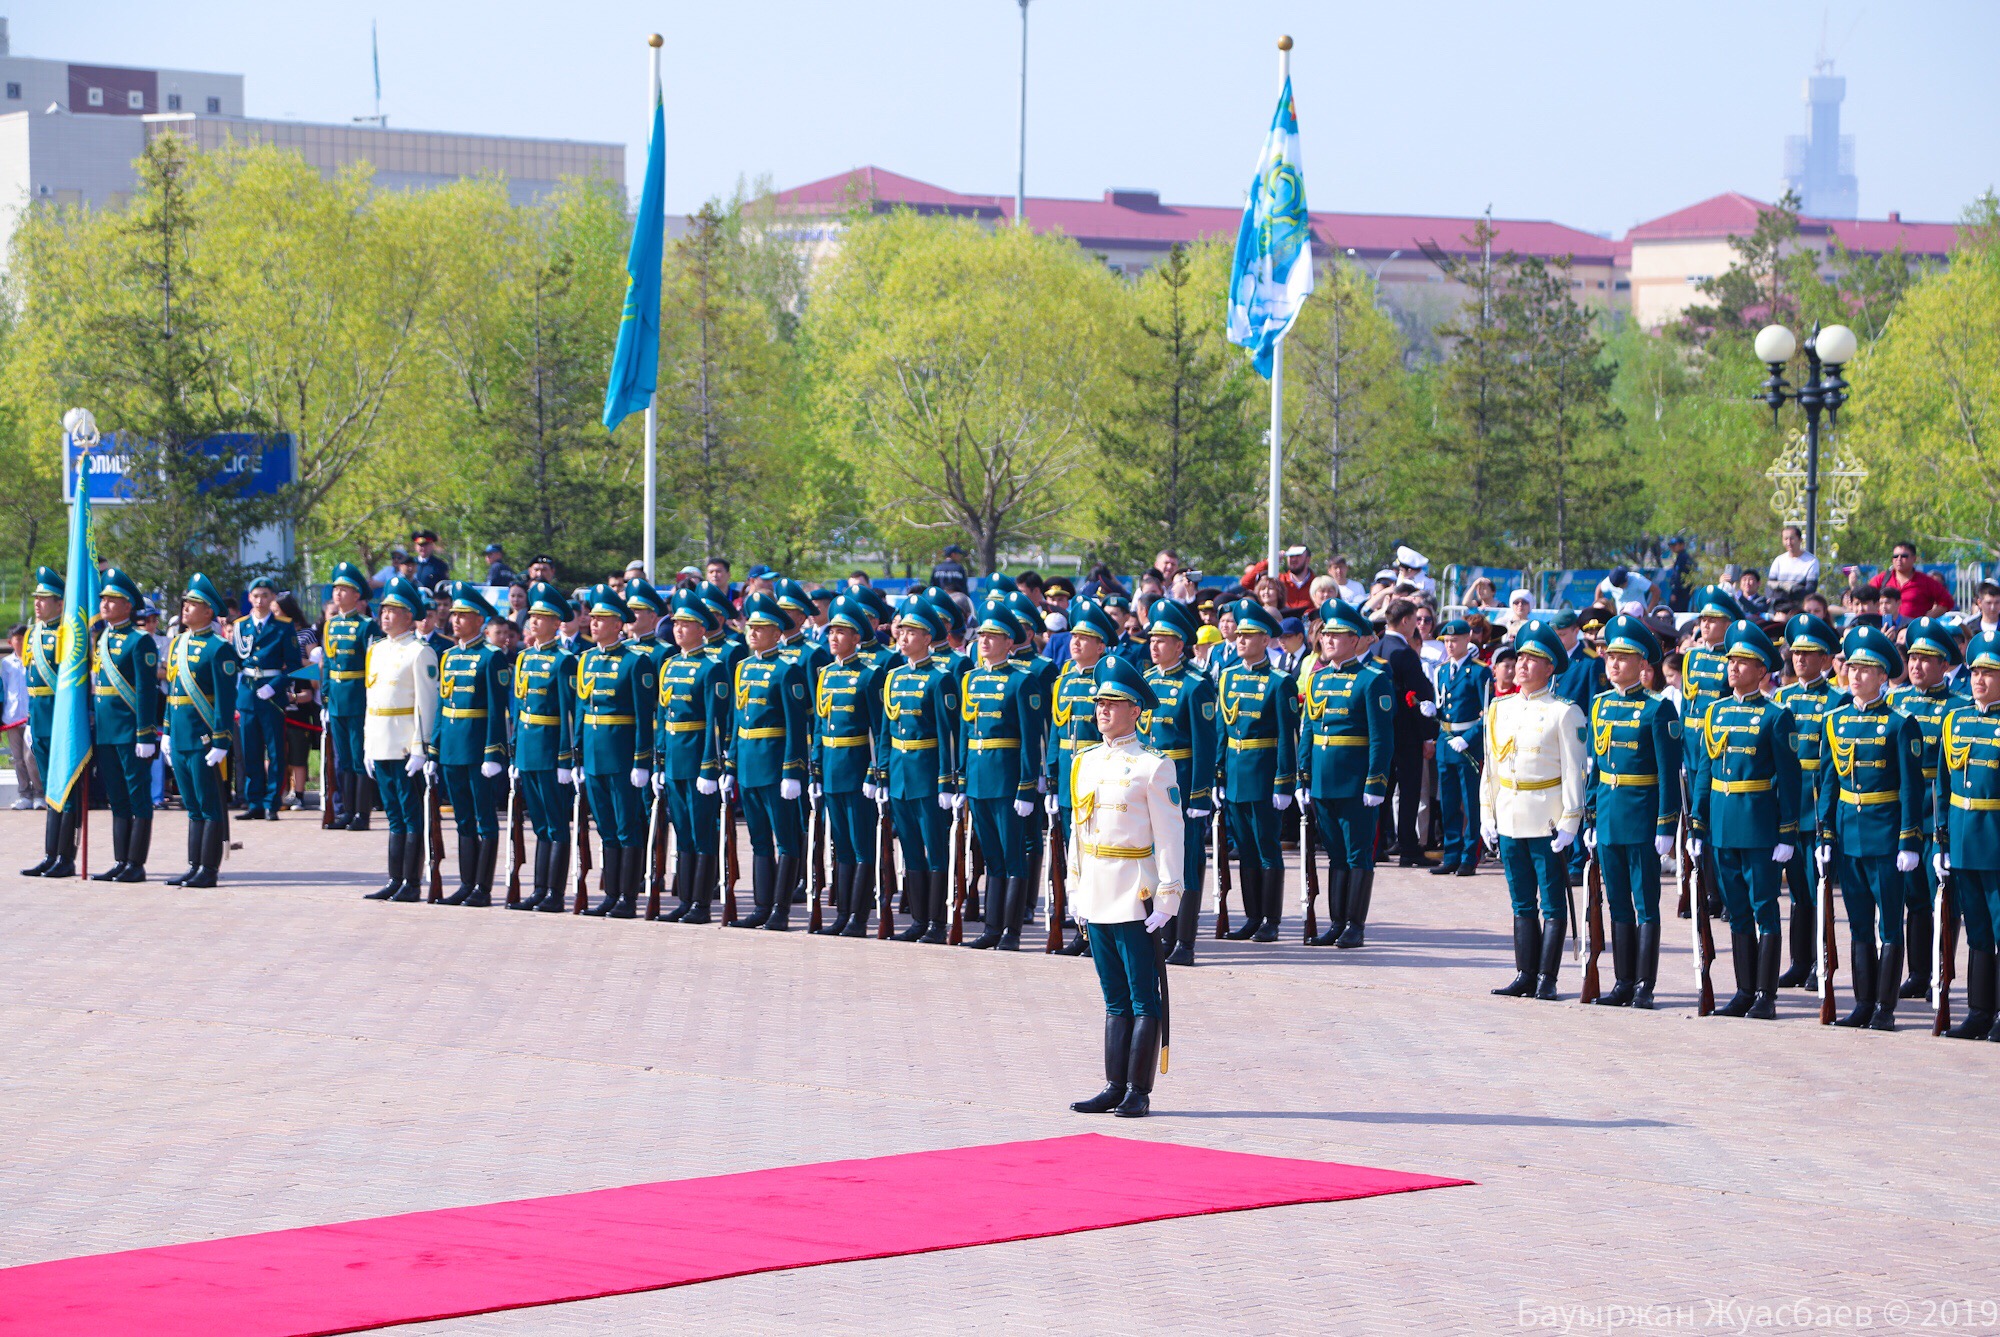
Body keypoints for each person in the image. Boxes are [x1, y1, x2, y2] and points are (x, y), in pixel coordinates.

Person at [1062, 654, 1183, 1119]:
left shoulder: (1154, 766)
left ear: (1136, 710)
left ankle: (1139, 1090)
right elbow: (1078, 833)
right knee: (1113, 996)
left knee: (1142, 996)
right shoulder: (1085, 762)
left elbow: (1171, 836)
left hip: (1136, 893)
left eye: (1113, 703)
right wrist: (1075, 887)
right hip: (1096, 890)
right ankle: (1114, 1086)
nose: (1103, 710)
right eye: (1099, 703)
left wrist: (1169, 895)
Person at [1688, 621, 1798, 1019]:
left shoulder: (1775, 716)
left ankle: (1765, 995)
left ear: (1762, 671)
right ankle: (1743, 990)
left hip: (1758, 825)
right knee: (1736, 909)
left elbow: (1790, 779)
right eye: (1731, 660)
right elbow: (1705, 771)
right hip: (1722, 825)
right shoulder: (1715, 712)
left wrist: (1787, 831)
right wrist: (1698, 822)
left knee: (1764, 908)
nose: (1732, 667)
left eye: (1743, 662)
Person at [1818, 625, 1925, 1029]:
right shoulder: (1836, 721)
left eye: (1866, 669)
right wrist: (1825, 833)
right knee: (1859, 922)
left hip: (1885, 835)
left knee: (1889, 923)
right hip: (1849, 834)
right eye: (1853, 667)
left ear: (1883, 676)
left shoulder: (1899, 723)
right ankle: (1863, 1003)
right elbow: (1829, 782)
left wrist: (1909, 839)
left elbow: (1911, 788)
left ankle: (1885, 1007)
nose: (1856, 675)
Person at [1480, 620, 1588, 1000]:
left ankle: (1547, 978)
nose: (1522, 665)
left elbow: (1575, 771)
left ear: (1550, 667)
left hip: (1546, 819)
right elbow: (1491, 768)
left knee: (1553, 902)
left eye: (1533, 659)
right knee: (1521, 900)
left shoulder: (1564, 712)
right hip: (1510, 814)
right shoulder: (1500, 708)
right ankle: (1525, 973)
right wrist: (1487, 814)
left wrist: (1571, 820)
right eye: (1520, 657)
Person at [1584, 614, 1682, 1008]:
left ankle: (1644, 985)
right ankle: (1622, 982)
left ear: (1642, 664)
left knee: (1645, 904)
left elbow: (1668, 773)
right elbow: (1596, 768)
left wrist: (1666, 824)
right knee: (1617, 902)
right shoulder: (1600, 704)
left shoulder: (1658, 709)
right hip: (1610, 817)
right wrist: (1591, 816)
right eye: (1610, 656)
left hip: (1642, 818)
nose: (1614, 663)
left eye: (1623, 657)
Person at [1298, 600, 1393, 947]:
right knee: (1335, 855)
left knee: (1357, 855)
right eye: (1326, 634)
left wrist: (1376, 781)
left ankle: (1355, 924)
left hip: (1355, 783)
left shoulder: (1372, 680)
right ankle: (1336, 922)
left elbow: (1382, 737)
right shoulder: (1318, 679)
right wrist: (1303, 776)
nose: (1328, 640)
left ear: (1356, 640)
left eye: (1337, 635)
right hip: (1323, 781)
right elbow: (1308, 730)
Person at [1888, 616, 1968, 1001]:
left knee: (1944, 897)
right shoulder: (1896, 702)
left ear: (1944, 664)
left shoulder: (1958, 708)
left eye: (1925, 659)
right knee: (1914, 896)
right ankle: (1918, 973)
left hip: (1937, 811)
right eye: (1913, 657)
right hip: (1904, 811)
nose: (1916, 665)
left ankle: (1942, 974)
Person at [959, 602, 1045, 949]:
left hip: (1007, 780)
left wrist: (1026, 787)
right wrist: (962, 779)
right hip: (978, 778)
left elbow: (1029, 739)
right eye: (982, 635)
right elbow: (966, 733)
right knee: (991, 857)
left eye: (993, 636)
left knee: (1012, 857)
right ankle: (991, 928)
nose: (984, 641)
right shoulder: (971, 679)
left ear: (1010, 642)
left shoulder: (1021, 681)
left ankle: (1011, 931)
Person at [875, 596, 961, 944]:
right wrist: (881, 774)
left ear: (928, 638)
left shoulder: (940, 679)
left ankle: (937, 923)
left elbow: (948, 735)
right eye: (902, 631)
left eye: (912, 632)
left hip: (927, 776)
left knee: (935, 849)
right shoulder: (893, 677)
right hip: (899, 775)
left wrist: (946, 781)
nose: (904, 637)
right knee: (910, 848)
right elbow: (885, 731)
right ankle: (918, 919)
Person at [723, 593, 808, 929]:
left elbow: (796, 725)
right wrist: (731, 765)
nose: (753, 632)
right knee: (758, 839)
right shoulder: (743, 668)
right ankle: (761, 906)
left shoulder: (788, 670)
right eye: (751, 627)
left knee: (785, 839)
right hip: (748, 765)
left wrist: (792, 770)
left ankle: (781, 910)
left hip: (774, 766)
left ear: (777, 633)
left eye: (761, 628)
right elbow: (736, 720)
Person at [1215, 601, 1297, 942]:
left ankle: (1270, 920)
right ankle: (1251, 917)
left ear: (1265, 640)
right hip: (1235, 773)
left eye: (1248, 635)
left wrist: (1284, 781)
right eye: (1239, 634)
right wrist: (1218, 773)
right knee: (1245, 849)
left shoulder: (1280, 682)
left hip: (1264, 775)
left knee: (1266, 847)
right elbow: (1221, 729)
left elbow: (1287, 736)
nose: (1240, 640)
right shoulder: (1228, 677)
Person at [575, 583, 658, 920]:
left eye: (601, 619)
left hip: (622, 756)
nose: (593, 623)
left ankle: (627, 896)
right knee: (605, 828)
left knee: (627, 827)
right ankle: (611, 895)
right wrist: (577, 754)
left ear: (618, 623)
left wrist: (641, 760)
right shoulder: (586, 660)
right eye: (592, 618)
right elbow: (582, 711)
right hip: (594, 756)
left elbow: (643, 716)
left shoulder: (635, 662)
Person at [1773, 614, 1845, 989]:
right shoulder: (1782, 698)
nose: (1799, 659)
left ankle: (1822, 962)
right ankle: (1799, 961)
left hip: (1816, 801)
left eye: (1809, 653)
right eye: (1796, 652)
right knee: (1798, 891)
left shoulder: (1837, 700)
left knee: (1820, 889)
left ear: (1825, 659)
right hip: (1789, 802)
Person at [647, 588, 728, 922]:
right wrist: (658, 761)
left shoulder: (712, 668)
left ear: (702, 629)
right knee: (682, 830)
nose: (678, 629)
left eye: (686, 624)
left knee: (701, 832)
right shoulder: (669, 665)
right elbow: (662, 716)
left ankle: (701, 904)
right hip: (674, 759)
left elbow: (715, 723)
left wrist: (709, 767)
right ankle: (685, 900)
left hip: (697, 759)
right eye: (676, 623)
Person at [1935, 631, 2000, 1039]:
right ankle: (1979, 1012)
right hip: (1962, 839)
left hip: (1995, 841)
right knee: (1976, 928)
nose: (1979, 679)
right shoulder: (1954, 720)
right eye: (1975, 671)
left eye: (1989, 672)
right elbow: (1943, 786)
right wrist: (1941, 840)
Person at [809, 595, 886, 937]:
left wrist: (874, 772)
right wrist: (815, 767)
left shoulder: (870, 675)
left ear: (857, 637)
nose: (834, 637)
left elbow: (879, 730)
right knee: (839, 844)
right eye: (831, 631)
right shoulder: (825, 674)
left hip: (857, 770)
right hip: (831, 769)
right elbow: (819, 725)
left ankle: (858, 917)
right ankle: (842, 914)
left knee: (861, 845)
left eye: (841, 632)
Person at [362, 577, 441, 903]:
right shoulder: (376, 650)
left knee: (411, 815)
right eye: (383, 610)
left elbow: (427, 704)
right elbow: (371, 701)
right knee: (393, 815)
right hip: (381, 743)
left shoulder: (419, 652)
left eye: (393, 610)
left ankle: (411, 882)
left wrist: (422, 748)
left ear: (410, 616)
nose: (385, 615)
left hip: (406, 746)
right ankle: (395, 879)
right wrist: (368, 745)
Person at [433, 583, 511, 908]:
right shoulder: (449, 656)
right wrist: (434, 748)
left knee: (484, 818)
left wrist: (493, 751)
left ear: (479, 620)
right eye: (454, 615)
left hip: (478, 748)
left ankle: (483, 887)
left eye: (463, 615)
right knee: (462, 818)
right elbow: (442, 704)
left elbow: (496, 709)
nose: (456, 620)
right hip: (452, 748)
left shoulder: (491, 657)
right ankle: (466, 884)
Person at [159, 574, 239, 888]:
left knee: (208, 804)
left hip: (204, 739)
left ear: (209, 611)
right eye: (185, 603)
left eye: (193, 604)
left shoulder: (219, 649)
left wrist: (221, 740)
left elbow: (225, 699)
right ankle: (194, 866)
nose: (186, 609)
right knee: (192, 805)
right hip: (180, 736)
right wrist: (167, 731)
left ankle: (209, 869)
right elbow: (173, 692)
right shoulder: (178, 643)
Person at [506, 583, 581, 914]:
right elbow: (519, 708)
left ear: (556, 623)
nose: (534, 621)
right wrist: (514, 751)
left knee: (555, 822)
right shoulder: (524, 658)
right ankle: (539, 889)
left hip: (551, 751)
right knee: (538, 823)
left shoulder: (564, 661)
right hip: (528, 749)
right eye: (533, 616)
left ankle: (554, 893)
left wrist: (566, 757)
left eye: (542, 617)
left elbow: (568, 714)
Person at [1047, 600, 1116, 954]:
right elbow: (1054, 734)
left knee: (1097, 857)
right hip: (1066, 780)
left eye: (1085, 638)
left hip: (1095, 779)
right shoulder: (1063, 681)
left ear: (1101, 646)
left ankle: (1099, 934)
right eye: (1074, 636)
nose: (1075, 642)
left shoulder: (1107, 682)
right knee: (1072, 858)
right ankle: (1080, 929)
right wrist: (1049, 777)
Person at [87, 568, 161, 882]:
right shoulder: (103, 637)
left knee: (137, 797)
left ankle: (136, 863)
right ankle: (121, 860)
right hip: (106, 732)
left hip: (131, 732)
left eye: (112, 599)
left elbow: (146, 691)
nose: (104, 604)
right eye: (103, 599)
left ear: (128, 605)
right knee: (116, 797)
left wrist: (145, 732)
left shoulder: (140, 641)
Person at [232, 578, 302, 822]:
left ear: (272, 598)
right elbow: (236, 663)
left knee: (275, 752)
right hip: (248, 694)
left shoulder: (283, 627)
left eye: (265, 595)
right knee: (250, 751)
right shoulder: (240, 626)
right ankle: (254, 802)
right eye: (256, 596)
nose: (260, 600)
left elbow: (294, 666)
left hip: (271, 696)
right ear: (249, 598)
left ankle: (272, 802)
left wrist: (274, 686)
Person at [19, 570, 73, 875]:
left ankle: (65, 857)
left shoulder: (67, 633)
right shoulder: (33, 634)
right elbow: (31, 681)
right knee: (50, 789)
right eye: (36, 598)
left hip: (59, 718)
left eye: (44, 599)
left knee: (65, 789)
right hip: (39, 719)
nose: (37, 604)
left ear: (59, 603)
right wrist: (30, 720)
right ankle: (50, 854)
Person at [321, 563, 382, 832]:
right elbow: (327, 663)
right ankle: (346, 811)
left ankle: (361, 813)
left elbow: (373, 667)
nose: (338, 593)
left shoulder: (367, 626)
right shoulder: (331, 625)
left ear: (357, 595)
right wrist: (325, 698)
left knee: (358, 758)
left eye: (344, 589)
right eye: (336, 589)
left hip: (358, 698)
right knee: (343, 759)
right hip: (336, 699)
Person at [1378, 599, 1438, 868]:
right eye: (1415, 619)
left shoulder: (1375, 647)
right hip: (1406, 732)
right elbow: (1419, 696)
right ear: (1405, 621)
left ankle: (1377, 844)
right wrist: (1428, 734)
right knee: (1409, 790)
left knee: (1382, 790)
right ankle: (1408, 847)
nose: (1416, 625)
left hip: (1381, 732)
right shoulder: (1404, 652)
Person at [1431, 617, 1492, 879]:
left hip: (1467, 745)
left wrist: (1469, 737)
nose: (1450, 645)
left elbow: (1488, 712)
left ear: (1468, 639)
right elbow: (1443, 706)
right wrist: (1432, 710)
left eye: (1455, 640)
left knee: (1471, 804)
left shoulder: (1479, 671)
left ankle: (1469, 857)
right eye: (1446, 641)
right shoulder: (1442, 671)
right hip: (1446, 742)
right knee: (1448, 803)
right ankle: (1451, 855)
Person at [1872, 542, 1954, 621]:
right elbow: (1867, 599)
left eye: (1904, 556)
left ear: (1914, 558)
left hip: (1913, 629)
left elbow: (1947, 601)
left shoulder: (1926, 581)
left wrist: (1926, 619)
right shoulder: (1881, 579)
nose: (1899, 559)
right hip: (1885, 628)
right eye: (1895, 556)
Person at [1, 625, 34, 810]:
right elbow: (4, 689)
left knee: (31, 757)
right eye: (18, 639)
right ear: (10, 642)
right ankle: (24, 794)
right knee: (18, 758)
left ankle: (39, 793)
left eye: (25, 638)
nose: (22, 642)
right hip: (12, 717)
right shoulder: (6, 664)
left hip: (31, 717)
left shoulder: (34, 660)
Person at [1767, 525, 1820, 596]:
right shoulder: (1778, 560)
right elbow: (1770, 585)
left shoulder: (1811, 561)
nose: (1788, 542)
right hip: (1779, 601)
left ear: (1800, 540)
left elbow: (1810, 589)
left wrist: (1793, 590)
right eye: (1785, 539)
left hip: (1799, 601)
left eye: (1792, 539)